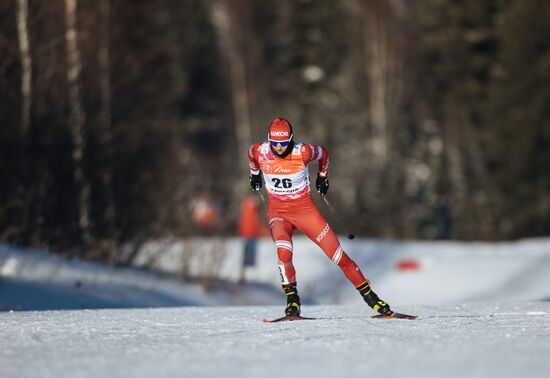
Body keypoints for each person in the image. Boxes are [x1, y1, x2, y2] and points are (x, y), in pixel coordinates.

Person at [247, 117, 393, 317]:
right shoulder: (260, 150)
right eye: (275, 143)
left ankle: (372, 298)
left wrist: (322, 177)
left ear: (291, 139)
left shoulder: (303, 152)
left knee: (338, 256)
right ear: (269, 140)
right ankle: (292, 302)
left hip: (305, 211)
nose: (279, 148)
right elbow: (251, 155)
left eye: (283, 143)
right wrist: (254, 174)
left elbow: (324, 154)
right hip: (278, 212)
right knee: (284, 255)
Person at [238, 194, 261, 283]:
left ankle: (245, 277)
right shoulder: (251, 207)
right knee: (248, 256)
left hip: (249, 234)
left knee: (248, 257)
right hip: (249, 235)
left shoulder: (248, 208)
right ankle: (245, 277)